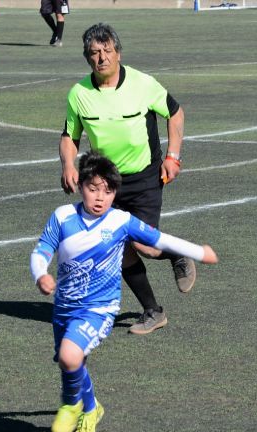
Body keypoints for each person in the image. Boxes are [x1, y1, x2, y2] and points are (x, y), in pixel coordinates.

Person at [31, 152, 218, 432]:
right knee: (72, 361)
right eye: (93, 188)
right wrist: (41, 274)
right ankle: (91, 408)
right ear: (80, 186)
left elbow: (160, 239)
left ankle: (70, 404)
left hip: (99, 308)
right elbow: (42, 250)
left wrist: (198, 252)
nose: (99, 197)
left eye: (108, 191)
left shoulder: (120, 221)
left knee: (70, 356)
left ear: (115, 193)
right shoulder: (62, 216)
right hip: (64, 307)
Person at [59, 23, 192, 336]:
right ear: (87, 58)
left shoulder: (142, 84)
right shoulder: (79, 94)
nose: (102, 58)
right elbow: (69, 135)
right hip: (106, 182)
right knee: (113, 245)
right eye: (95, 53)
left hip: (145, 176)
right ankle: (153, 311)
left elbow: (175, 113)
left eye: (107, 50)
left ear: (118, 53)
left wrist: (173, 156)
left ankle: (178, 253)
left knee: (143, 244)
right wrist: (68, 164)